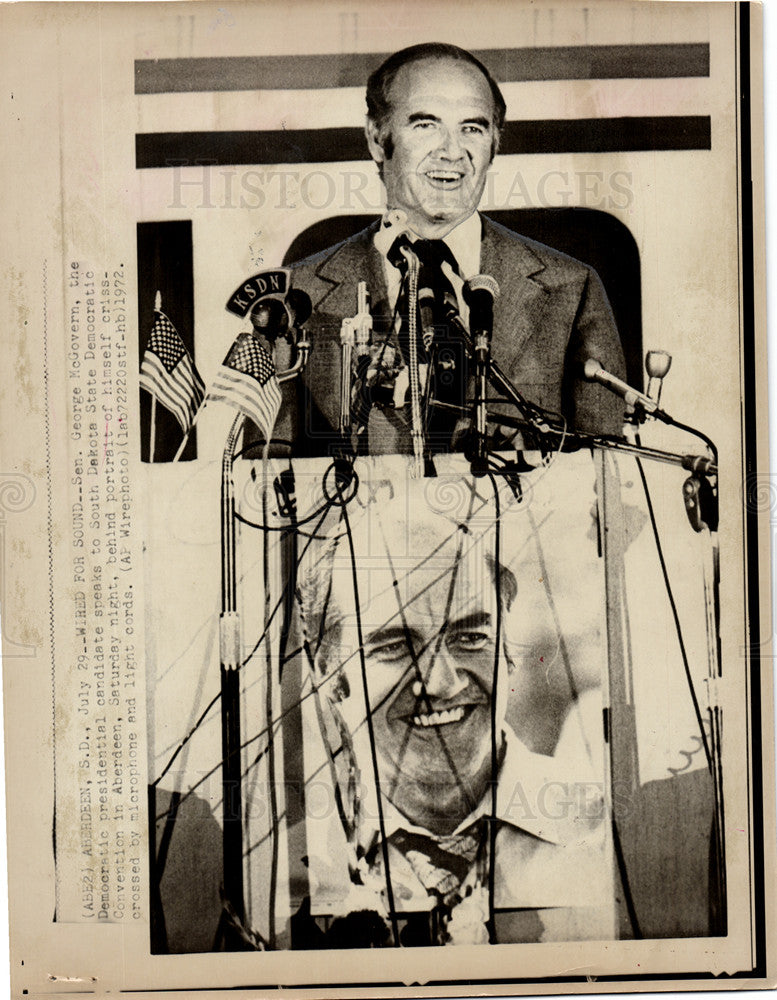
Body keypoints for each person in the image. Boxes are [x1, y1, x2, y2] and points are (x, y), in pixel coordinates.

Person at [294, 480, 615, 946]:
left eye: (471, 638)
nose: (443, 682)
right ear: (329, 673)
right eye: (395, 646)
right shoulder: (297, 869)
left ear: (509, 653)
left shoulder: (604, 834)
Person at [281, 42, 627, 458]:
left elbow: (607, 475)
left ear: (494, 144)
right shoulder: (296, 294)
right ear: (377, 138)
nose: (451, 151)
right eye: (425, 125)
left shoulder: (571, 289)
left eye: (472, 128)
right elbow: (262, 488)